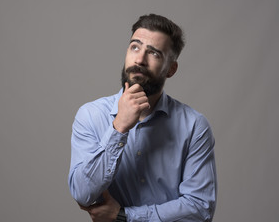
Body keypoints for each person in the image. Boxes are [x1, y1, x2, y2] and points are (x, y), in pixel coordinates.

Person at [68, 14, 217, 222]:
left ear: (171, 69)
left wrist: (124, 217)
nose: (139, 60)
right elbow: (82, 193)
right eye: (135, 47)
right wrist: (119, 127)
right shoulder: (91, 115)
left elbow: (200, 209)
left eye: (154, 53)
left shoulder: (194, 126)